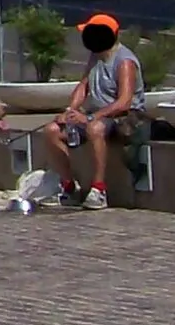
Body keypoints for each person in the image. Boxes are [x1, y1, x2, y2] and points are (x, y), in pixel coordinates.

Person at [39, 14, 143, 210]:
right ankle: (69, 186)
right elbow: (83, 85)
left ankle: (98, 189)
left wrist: (90, 117)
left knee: (95, 129)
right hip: (96, 113)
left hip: (123, 117)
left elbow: (124, 102)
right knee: (51, 130)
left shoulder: (124, 61)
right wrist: (71, 110)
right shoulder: (96, 57)